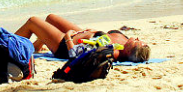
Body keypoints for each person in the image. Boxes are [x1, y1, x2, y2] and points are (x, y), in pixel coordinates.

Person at [13, 14, 150, 63]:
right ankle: (37, 45)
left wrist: (68, 38)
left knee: (33, 21)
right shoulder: (124, 40)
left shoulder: (115, 52)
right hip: (80, 33)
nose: (137, 38)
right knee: (50, 18)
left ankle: (8, 46)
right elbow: (105, 35)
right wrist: (93, 31)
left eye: (137, 42)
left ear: (129, 51)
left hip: (66, 44)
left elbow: (78, 55)